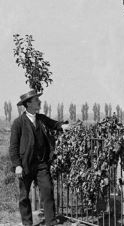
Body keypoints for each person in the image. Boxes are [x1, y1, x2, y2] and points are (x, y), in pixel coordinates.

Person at [9, 90, 70, 226]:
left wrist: (63, 126)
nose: (40, 102)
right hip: (25, 165)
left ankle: (51, 222)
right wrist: (17, 164)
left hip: (42, 165)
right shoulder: (18, 123)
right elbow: (13, 147)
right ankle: (27, 223)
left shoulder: (41, 119)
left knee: (47, 191)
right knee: (24, 197)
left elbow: (55, 124)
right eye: (37, 100)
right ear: (29, 103)